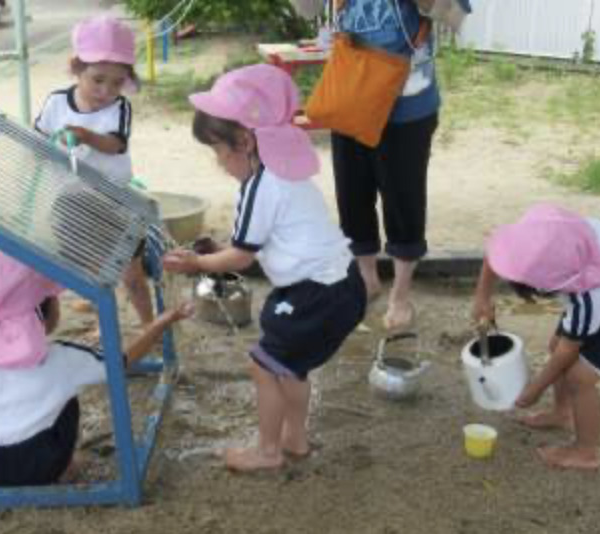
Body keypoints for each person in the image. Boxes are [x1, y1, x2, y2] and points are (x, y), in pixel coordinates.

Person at [163, 64, 367, 472]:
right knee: (290, 367)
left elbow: (241, 256)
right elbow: (261, 244)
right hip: (342, 285)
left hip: (315, 293)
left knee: (263, 365)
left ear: (245, 140)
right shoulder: (284, 175)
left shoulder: (261, 185)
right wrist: (218, 251)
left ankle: (268, 451)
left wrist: (198, 263)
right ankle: (295, 439)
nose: (218, 162)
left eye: (218, 150)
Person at [0, 250, 193, 489]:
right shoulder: (62, 358)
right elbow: (121, 362)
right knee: (67, 402)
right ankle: (66, 468)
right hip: (41, 465)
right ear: (41, 314)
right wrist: (160, 323)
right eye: (53, 300)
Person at [472, 203, 600, 470]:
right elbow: (497, 251)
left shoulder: (587, 293)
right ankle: (562, 413)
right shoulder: (540, 235)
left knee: (579, 375)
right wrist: (482, 297)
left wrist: (534, 390)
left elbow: (570, 350)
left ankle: (586, 451)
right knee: (556, 345)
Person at [330, 0, 469, 333]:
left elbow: (456, 18)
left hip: (408, 106)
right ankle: (367, 278)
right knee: (352, 194)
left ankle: (401, 293)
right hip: (350, 96)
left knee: (402, 199)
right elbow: (306, 11)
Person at [34, 14, 153, 326]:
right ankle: (104, 318)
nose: (106, 91)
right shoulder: (56, 102)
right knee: (90, 269)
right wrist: (46, 149)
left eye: (117, 83)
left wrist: (85, 135)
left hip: (114, 201)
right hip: (71, 200)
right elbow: (38, 138)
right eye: (98, 80)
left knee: (131, 271)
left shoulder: (119, 107)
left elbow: (115, 145)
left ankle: (149, 324)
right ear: (77, 68)